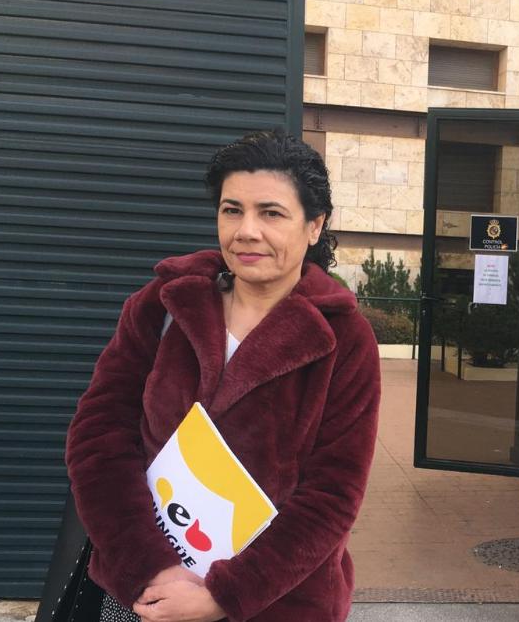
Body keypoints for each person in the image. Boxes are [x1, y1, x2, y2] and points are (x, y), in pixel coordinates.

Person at [65, 130, 381, 622]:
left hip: (277, 602)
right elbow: (98, 438)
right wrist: (154, 568)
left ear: (315, 226)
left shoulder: (344, 340)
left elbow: (334, 495)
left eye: (270, 213)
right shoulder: (163, 305)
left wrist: (225, 595)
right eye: (232, 210)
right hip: (148, 594)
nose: (245, 231)